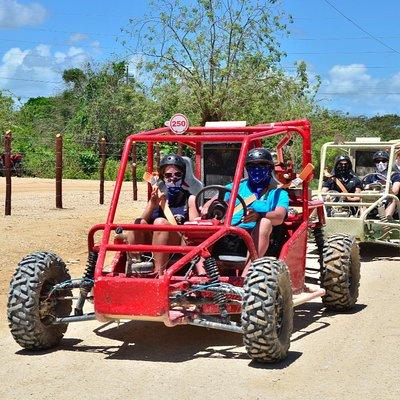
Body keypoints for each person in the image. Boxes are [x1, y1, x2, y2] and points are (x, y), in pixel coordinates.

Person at [202, 147, 289, 259]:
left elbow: (279, 217)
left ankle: (249, 272)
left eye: (262, 165)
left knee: (265, 222)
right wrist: (208, 206)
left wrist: (258, 216)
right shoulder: (236, 187)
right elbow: (216, 199)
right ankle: (199, 272)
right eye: (252, 166)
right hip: (227, 232)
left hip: (256, 235)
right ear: (246, 168)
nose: (257, 169)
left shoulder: (278, 193)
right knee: (204, 224)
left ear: (270, 168)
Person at [127, 154, 197, 274]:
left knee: (160, 223)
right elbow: (138, 226)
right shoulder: (159, 197)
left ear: (183, 176)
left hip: (178, 244)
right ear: (163, 177)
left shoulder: (190, 199)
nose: (173, 178)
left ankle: (158, 273)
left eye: (177, 174)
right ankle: (137, 265)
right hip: (154, 243)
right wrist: (152, 204)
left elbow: (195, 232)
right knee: (139, 222)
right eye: (168, 175)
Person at [363, 150, 400, 219]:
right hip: (374, 201)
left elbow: (395, 191)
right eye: (377, 161)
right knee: (363, 198)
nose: (380, 163)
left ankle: (386, 220)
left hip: (388, 201)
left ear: (388, 162)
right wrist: (369, 187)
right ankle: (362, 220)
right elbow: (365, 190)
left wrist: (387, 186)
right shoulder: (370, 177)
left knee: (393, 198)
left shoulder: (395, 175)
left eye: (383, 161)